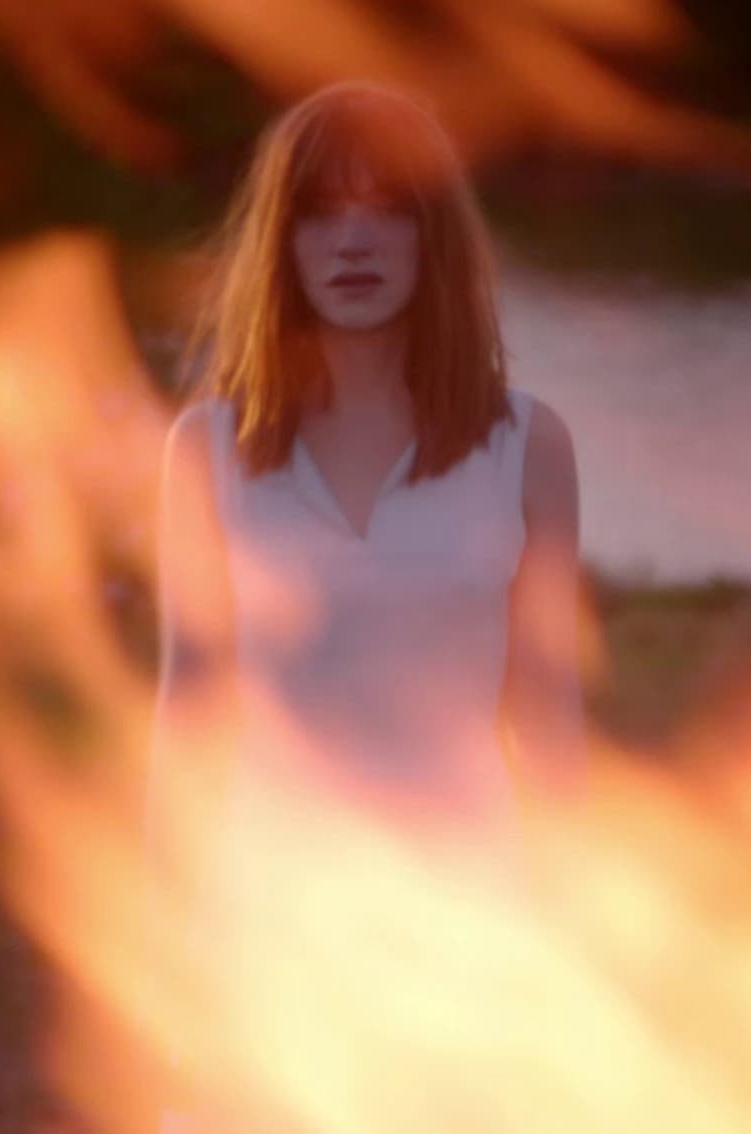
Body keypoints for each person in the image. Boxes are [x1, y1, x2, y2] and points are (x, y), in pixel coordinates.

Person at [148, 77, 584, 1129]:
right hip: (266, 909)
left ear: (436, 237)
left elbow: (551, 716)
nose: (354, 239)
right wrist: (160, 930)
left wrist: (576, 937)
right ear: (281, 243)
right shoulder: (206, 450)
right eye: (320, 212)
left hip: (465, 911)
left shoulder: (526, 445)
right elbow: (188, 707)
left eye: (388, 208)